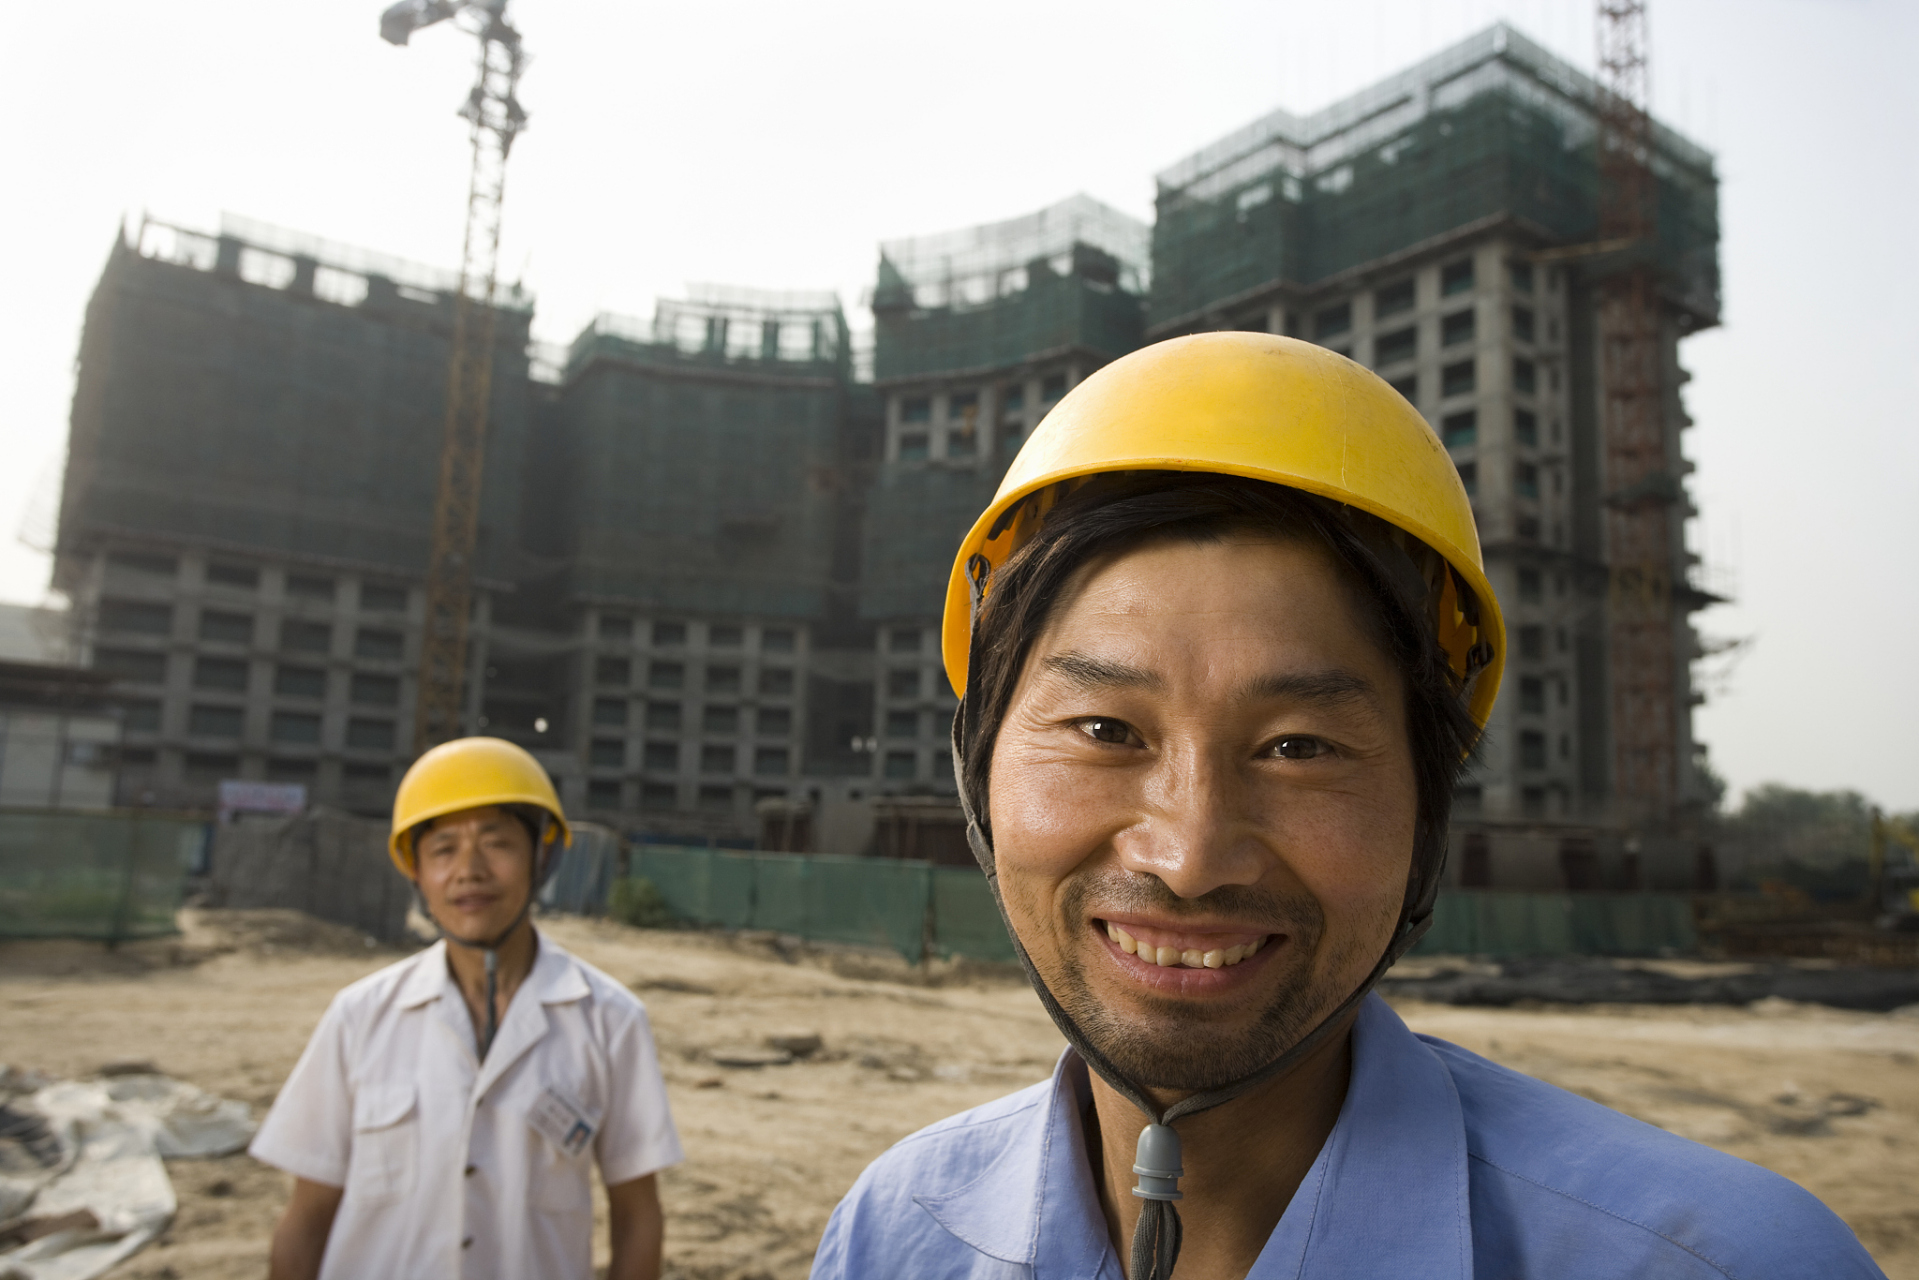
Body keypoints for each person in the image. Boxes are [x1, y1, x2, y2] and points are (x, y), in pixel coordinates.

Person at [812, 333, 1883, 1279]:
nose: (1189, 854)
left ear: (1426, 807)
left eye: (1297, 746)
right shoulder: (892, 1234)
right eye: (1104, 730)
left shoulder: (1723, 1261)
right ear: (978, 771)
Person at [252, 736, 682, 1280]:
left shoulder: (609, 1019)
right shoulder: (359, 1017)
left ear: (541, 856)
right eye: (443, 849)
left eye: (496, 842)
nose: (468, 870)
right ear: (416, 872)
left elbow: (639, 1216)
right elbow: (307, 1217)